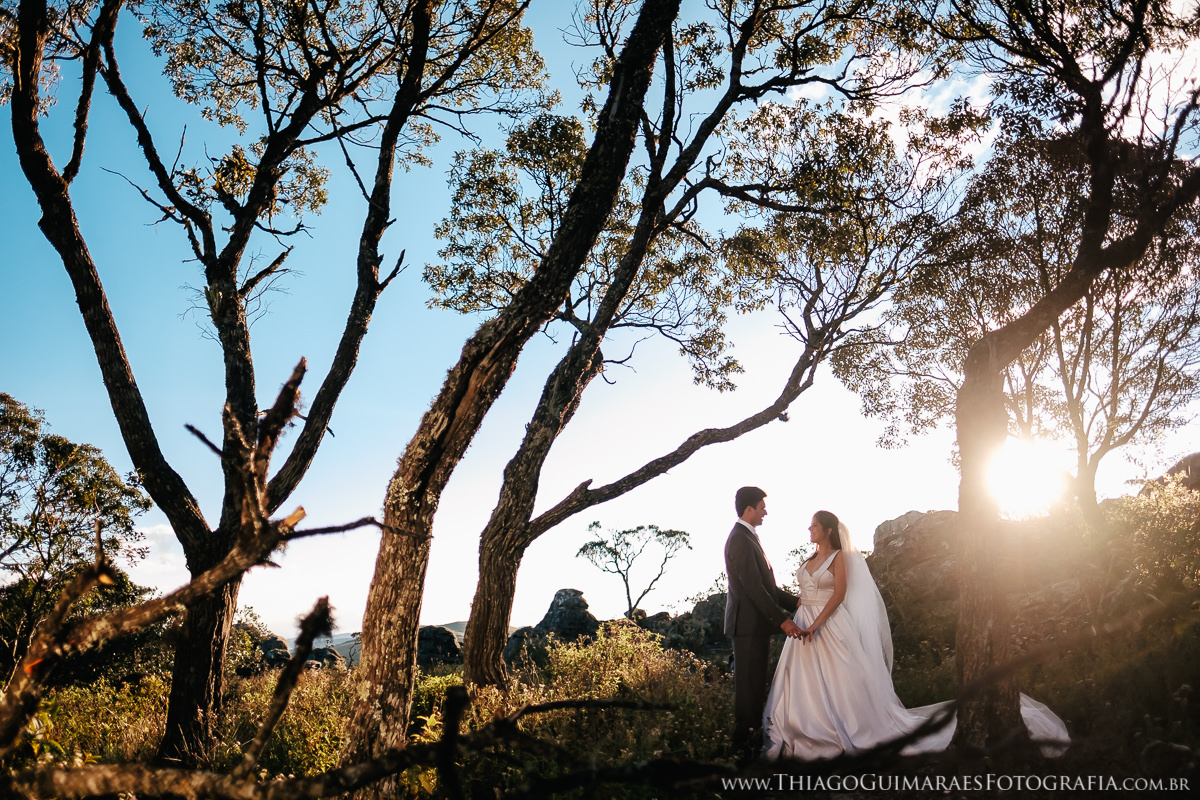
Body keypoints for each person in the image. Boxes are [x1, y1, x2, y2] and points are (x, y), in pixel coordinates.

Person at [762, 510, 1069, 760]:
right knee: (803, 681)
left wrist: (817, 625)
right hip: (802, 625)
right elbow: (804, 595)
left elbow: (839, 594)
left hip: (828, 625)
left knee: (841, 681)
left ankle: (846, 728)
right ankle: (806, 728)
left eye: (814, 525)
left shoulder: (838, 558)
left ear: (828, 530)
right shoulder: (807, 561)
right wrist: (797, 619)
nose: (809, 529)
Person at [724, 486, 804, 756]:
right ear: (749, 509)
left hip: (754, 628)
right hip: (747, 627)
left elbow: (768, 587)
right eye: (762, 507)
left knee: (755, 687)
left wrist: (796, 602)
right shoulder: (739, 539)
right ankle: (744, 751)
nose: (765, 512)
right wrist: (782, 621)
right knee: (748, 690)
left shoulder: (749, 538)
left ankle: (751, 744)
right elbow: (753, 588)